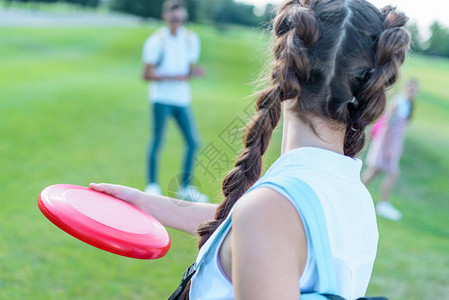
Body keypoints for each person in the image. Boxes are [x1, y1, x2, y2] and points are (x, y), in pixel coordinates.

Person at [90, 0, 410, 298]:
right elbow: (257, 231)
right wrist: (145, 202)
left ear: (286, 70)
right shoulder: (354, 197)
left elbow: (265, 226)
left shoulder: (270, 209)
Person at [142, 0, 208, 203]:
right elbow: (146, 74)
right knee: (157, 140)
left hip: (181, 99)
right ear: (166, 17)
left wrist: (193, 73)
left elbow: (187, 70)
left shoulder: (191, 39)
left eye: (180, 18)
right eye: (173, 18)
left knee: (192, 141)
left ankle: (185, 187)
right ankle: (152, 185)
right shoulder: (156, 41)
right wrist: (173, 77)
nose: (177, 22)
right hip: (161, 98)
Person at [362, 79, 419, 221]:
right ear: (405, 88)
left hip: (393, 145)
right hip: (386, 144)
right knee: (393, 173)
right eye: (410, 88)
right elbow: (387, 126)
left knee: (375, 171)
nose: (412, 91)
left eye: (415, 89)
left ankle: (355, 192)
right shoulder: (397, 102)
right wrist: (388, 148)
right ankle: (383, 204)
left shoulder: (409, 104)